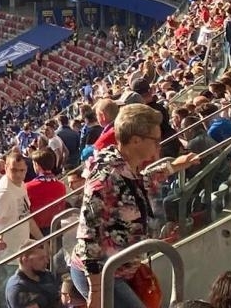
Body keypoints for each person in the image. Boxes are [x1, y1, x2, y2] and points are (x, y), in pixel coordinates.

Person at [70, 104, 199, 308]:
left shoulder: (125, 167)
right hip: (103, 274)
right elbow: (88, 234)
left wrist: (173, 166)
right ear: (136, 140)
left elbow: (140, 182)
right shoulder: (105, 177)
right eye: (155, 140)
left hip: (120, 270)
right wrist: (96, 291)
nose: (159, 145)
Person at [0, 149, 41, 263]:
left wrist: (42, 240)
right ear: (5, 168)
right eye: (14, 170)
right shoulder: (3, 192)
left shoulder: (21, 185)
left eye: (22, 170)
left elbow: (27, 216)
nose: (18, 174)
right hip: (4, 257)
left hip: (18, 253)